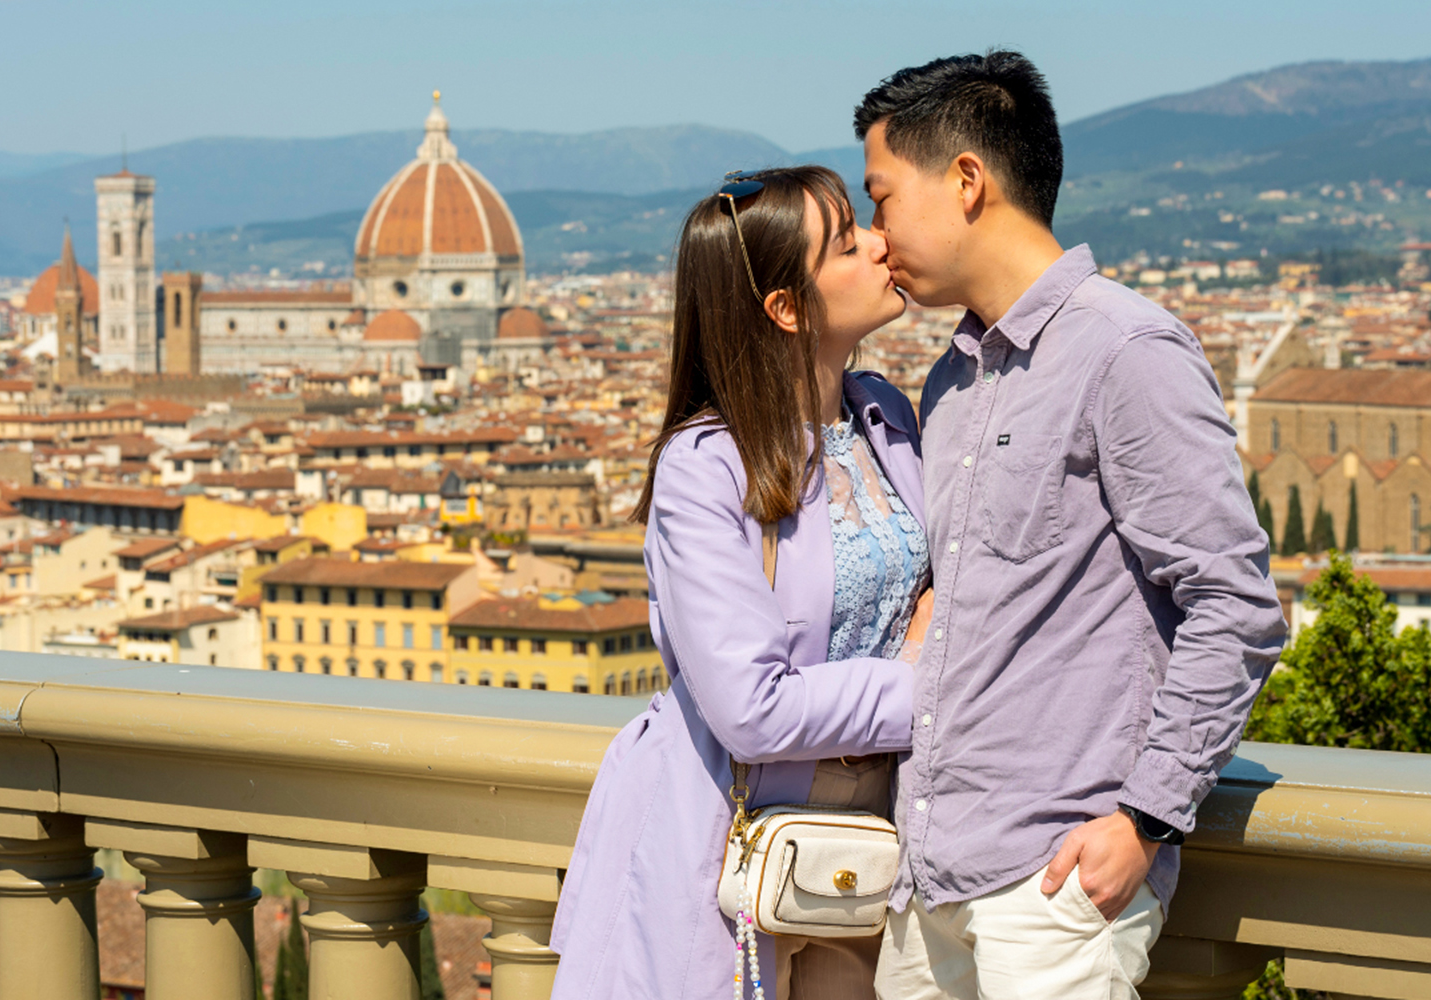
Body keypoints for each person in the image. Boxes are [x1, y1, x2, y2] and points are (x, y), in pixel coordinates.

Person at [852, 52, 1288, 999]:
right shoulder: (951, 382)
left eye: (882, 198)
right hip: (925, 884)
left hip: (1049, 884)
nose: (876, 236)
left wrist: (1146, 818)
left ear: (968, 180)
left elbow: (1236, 605)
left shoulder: (1127, 351)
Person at [549, 165, 931, 1000]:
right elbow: (752, 709)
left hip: (872, 843)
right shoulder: (705, 466)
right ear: (787, 309)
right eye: (845, 241)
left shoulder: (889, 420)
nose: (879, 242)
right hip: (725, 841)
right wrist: (928, 690)